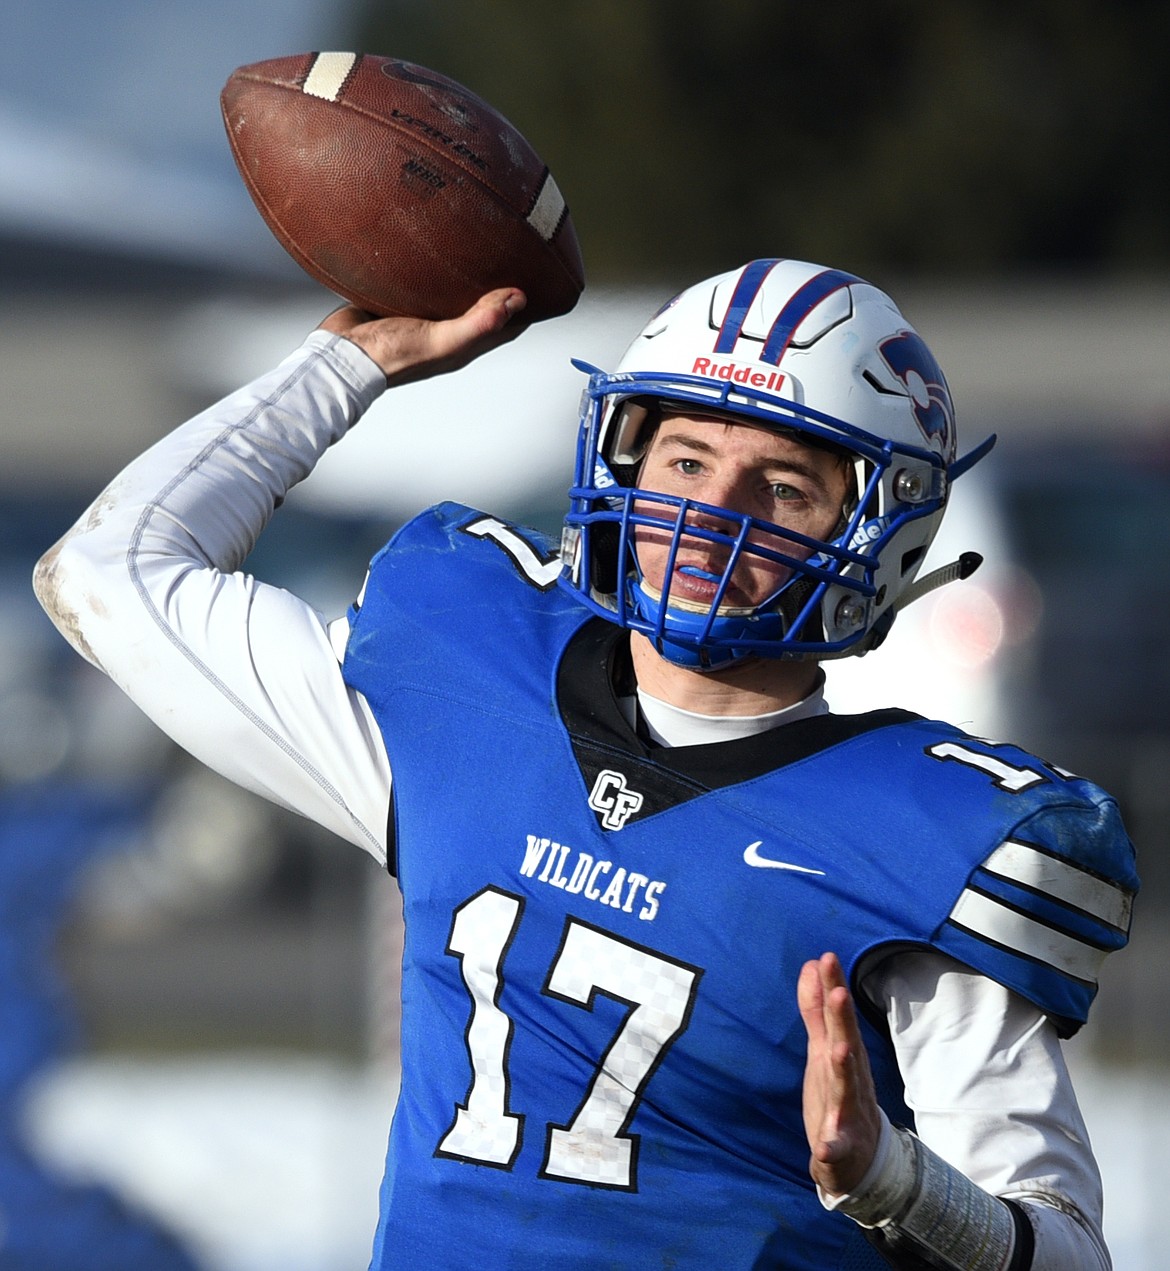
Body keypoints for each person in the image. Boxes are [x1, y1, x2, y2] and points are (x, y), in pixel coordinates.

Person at [33, 258, 1136, 1270]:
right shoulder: (460, 688)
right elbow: (108, 571)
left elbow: (1066, 1255)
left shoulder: (927, 834)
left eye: (784, 488)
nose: (712, 515)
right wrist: (349, 365)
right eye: (688, 458)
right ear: (621, 455)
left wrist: (896, 1183)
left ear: (879, 538)